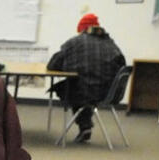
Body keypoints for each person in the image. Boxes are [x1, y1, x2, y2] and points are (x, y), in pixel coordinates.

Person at [47, 13, 125, 143]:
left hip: (85, 91)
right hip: (110, 94)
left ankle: (85, 125)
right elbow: (122, 66)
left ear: (83, 29)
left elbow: (53, 65)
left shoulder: (74, 43)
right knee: (81, 87)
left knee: (67, 88)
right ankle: (85, 126)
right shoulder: (112, 45)